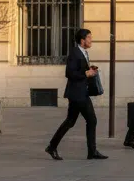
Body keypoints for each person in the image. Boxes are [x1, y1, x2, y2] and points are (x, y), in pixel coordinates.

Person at [45, 28, 107, 160]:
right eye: (89, 37)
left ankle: (52, 146)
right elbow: (70, 73)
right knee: (91, 120)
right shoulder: (75, 53)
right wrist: (86, 73)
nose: (91, 40)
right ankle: (92, 151)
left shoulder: (83, 52)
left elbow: (79, 70)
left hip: (79, 93)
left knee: (70, 121)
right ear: (82, 40)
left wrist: (89, 70)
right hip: (78, 94)